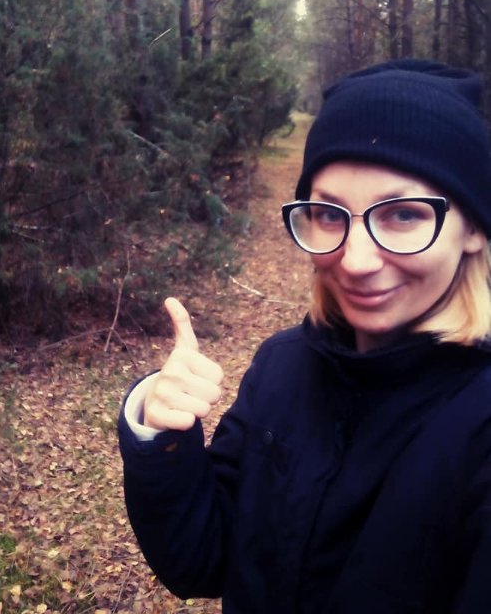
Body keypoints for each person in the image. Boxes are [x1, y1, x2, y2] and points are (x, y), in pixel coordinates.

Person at [118, 59, 491, 613]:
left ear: (475, 228)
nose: (356, 260)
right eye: (330, 214)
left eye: (403, 215)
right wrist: (159, 431)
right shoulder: (282, 368)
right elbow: (202, 561)